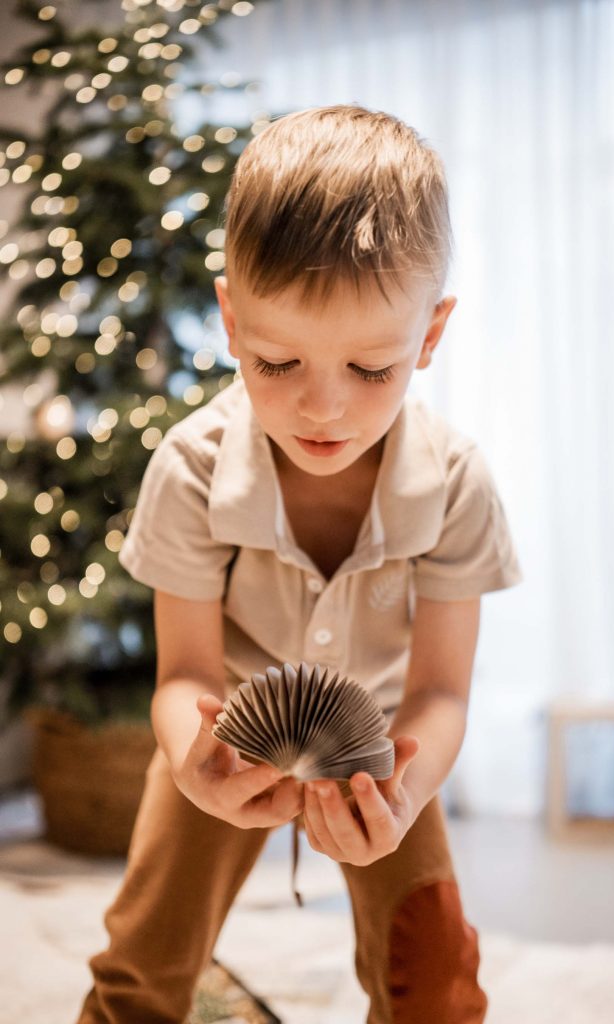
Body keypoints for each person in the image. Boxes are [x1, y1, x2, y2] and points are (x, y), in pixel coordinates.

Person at [76, 104, 523, 1024]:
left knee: (436, 979)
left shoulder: (455, 482)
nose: (323, 410)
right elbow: (186, 677)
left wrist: (402, 793)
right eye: (277, 362)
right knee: (141, 968)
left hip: (383, 756)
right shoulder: (191, 469)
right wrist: (192, 762)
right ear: (231, 321)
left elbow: (440, 695)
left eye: (370, 370)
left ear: (429, 336)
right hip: (220, 744)